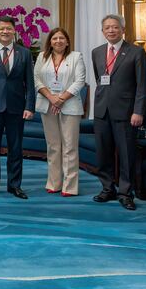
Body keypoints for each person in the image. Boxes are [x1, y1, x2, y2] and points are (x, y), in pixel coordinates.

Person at [91, 14, 146, 211]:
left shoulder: (136, 52)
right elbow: (100, 80)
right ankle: (107, 189)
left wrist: (138, 111)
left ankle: (125, 193)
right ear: (102, 31)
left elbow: (142, 86)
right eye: (107, 27)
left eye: (115, 27)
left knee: (126, 154)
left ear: (123, 30)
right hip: (101, 111)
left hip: (126, 113)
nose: (111, 30)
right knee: (103, 153)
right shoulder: (97, 52)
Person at [0, 15, 35, 200]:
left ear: (14, 31)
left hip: (16, 108)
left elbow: (30, 83)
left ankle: (14, 185)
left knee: (16, 148)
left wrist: (30, 106)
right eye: (1, 28)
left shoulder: (24, 53)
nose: (5, 31)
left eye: (9, 28)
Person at [34, 27, 85, 197]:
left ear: (67, 41)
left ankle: (69, 186)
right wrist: (51, 98)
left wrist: (61, 99)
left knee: (70, 146)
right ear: (50, 41)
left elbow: (80, 81)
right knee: (53, 146)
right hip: (47, 104)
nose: (58, 41)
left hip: (70, 106)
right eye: (54, 38)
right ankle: (54, 182)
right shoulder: (42, 57)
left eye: (62, 38)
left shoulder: (76, 56)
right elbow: (36, 79)